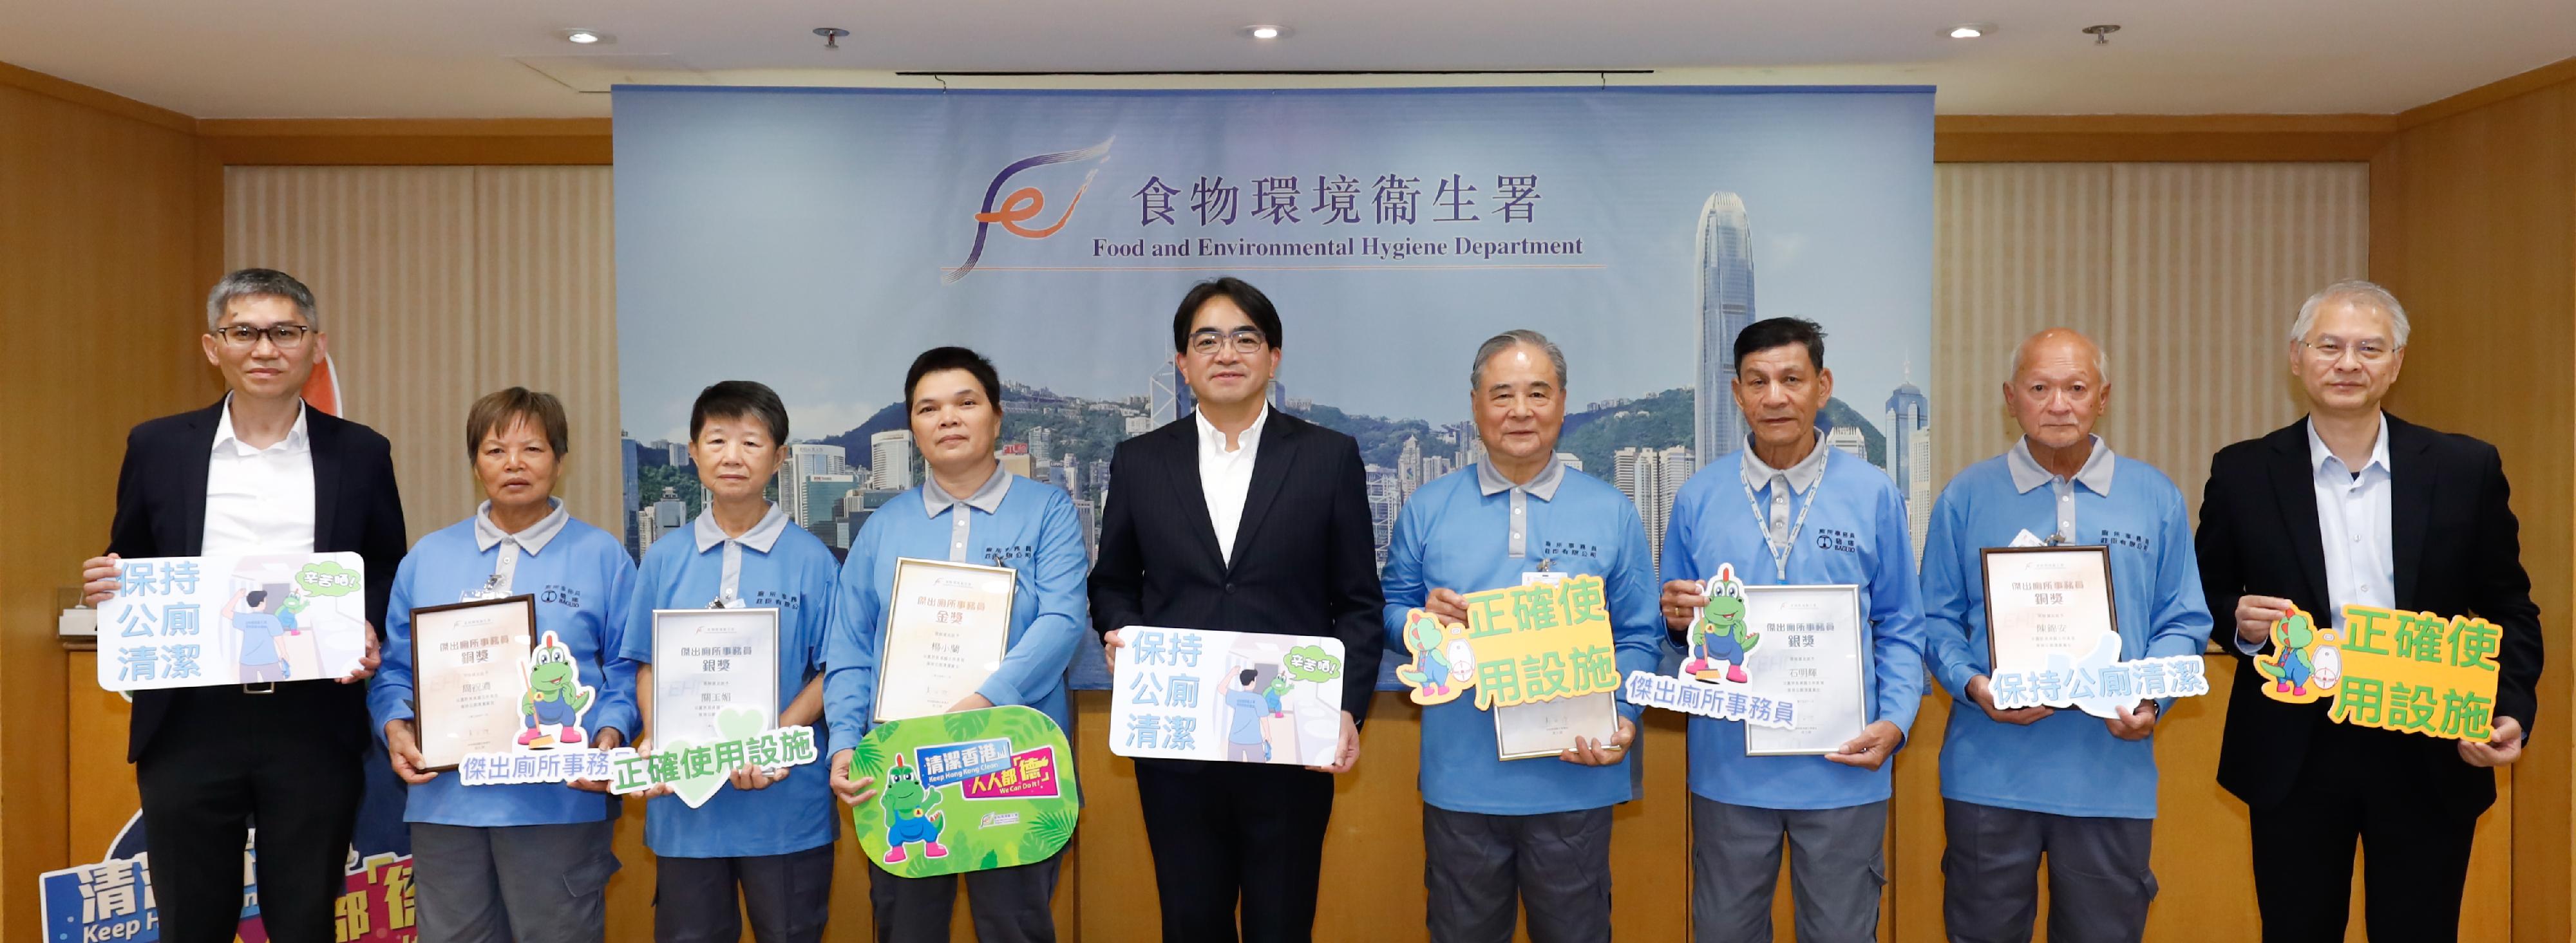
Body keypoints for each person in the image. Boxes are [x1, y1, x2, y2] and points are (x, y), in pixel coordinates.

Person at [2196, 281, 2543, 942]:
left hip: (2429, 742)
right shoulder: (2241, 471)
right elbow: (2205, 598)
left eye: (2368, 348)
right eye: (2329, 346)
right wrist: (2235, 622)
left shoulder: (2464, 467)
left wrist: (2509, 708)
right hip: (2294, 748)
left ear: (2396, 361)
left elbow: (2509, 606)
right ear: (2296, 357)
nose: (2347, 363)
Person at [75, 268, 401, 943]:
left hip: (312, 714)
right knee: (192, 922)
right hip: (191, 717)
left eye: (285, 332)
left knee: (305, 920)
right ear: (212, 345)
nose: (264, 349)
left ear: (315, 345)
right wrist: (106, 582)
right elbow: (129, 555)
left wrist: (367, 622)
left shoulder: (362, 453)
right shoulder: (157, 446)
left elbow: (385, 565)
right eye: (244, 332)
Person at [1090, 277, 1384, 943]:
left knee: (1282, 922)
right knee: (1191, 921)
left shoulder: (1326, 457)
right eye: (1207, 340)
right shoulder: (1138, 461)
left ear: (1273, 357)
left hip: (1291, 738)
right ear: (1182, 363)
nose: (1227, 353)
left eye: (1245, 338)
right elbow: (1111, 581)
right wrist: (1121, 631)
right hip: (1177, 743)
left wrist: (1345, 709)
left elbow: (1360, 603)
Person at [1917, 329, 2211, 942]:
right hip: (1989, 774)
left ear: (2102, 397)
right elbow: (1935, 619)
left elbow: (2183, 621)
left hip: (2111, 772)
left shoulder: (2154, 496)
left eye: (2076, 388)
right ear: (2011, 398)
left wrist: (2152, 699)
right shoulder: (1966, 496)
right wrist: (1974, 686)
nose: (2059, 404)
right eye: (2040, 388)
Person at [1379, 330, 1662, 943]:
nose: (1521, 410)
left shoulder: (1612, 510)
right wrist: (1420, 623)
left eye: (1538, 392)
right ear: (1476, 404)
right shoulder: (1427, 507)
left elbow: (1641, 636)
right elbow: (1390, 608)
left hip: (1576, 772)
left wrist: (1624, 715)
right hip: (1463, 783)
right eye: (1502, 394)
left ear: (1563, 402)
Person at [1658, 317, 1924, 943]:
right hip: (1728, 770)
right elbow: (1672, 631)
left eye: (1791, 379)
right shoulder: (1697, 497)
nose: (1774, 396)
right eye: (1757, 381)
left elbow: (1902, 624)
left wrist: (1898, 718)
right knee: (1723, 930)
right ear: (1736, 392)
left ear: (1822, 385)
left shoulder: (1874, 492)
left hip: (1845, 765)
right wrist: (1674, 624)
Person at [824, 347, 1086, 942]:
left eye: (966, 403)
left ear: (996, 417)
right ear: (913, 427)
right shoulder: (883, 526)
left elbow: (1063, 620)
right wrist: (844, 744)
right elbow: (849, 649)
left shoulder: (1048, 510)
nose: (948, 418)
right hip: (901, 766)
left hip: (1016, 766)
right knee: (905, 929)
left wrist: (982, 700)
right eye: (929, 407)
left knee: (1016, 927)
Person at [372, 387, 637, 941]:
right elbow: (395, 670)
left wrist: (610, 737)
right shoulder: (427, 557)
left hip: (559, 800)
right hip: (447, 802)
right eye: (495, 450)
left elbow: (627, 668)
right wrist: (396, 726)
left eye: (533, 449)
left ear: (560, 460)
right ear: (475, 463)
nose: (514, 464)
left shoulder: (602, 555)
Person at [620, 380, 840, 943]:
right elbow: (645, 665)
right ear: (693, 452)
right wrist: (658, 732)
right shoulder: (664, 558)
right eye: (717, 440)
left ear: (780, 458)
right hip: (687, 812)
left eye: (751, 441)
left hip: (785, 807)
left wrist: (770, 741)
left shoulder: (813, 560)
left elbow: (831, 672)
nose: (733, 456)